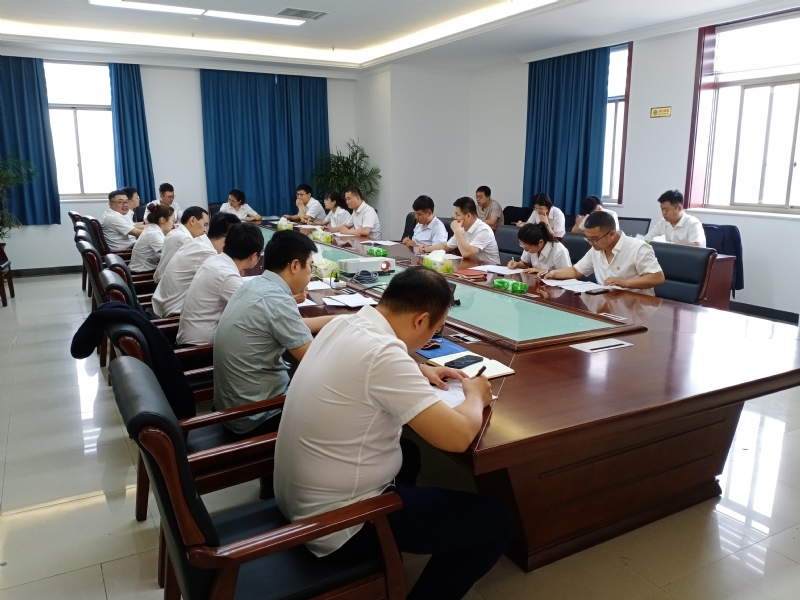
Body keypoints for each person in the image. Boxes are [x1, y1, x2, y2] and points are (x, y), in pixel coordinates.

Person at [274, 266, 513, 600]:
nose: (433, 336)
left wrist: (418, 368)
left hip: (296, 499)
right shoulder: (383, 355)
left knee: (410, 453)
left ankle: (401, 535)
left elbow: (370, 365)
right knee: (497, 522)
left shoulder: (345, 323)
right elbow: (458, 437)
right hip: (339, 524)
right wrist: (475, 396)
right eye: (436, 329)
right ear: (421, 319)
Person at [213, 230, 336, 436]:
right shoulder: (277, 300)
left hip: (234, 407)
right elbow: (316, 360)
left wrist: (340, 319)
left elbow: (295, 325)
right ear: (294, 266)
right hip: (258, 415)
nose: (310, 273)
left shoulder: (255, 285)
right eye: (310, 267)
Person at [176, 223, 263, 346]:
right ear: (253, 256)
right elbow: (256, 311)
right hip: (200, 348)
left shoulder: (215, 260)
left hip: (191, 337)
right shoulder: (227, 276)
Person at [545, 211, 665, 295]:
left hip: (637, 306)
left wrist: (625, 283)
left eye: (594, 239)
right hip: (606, 301)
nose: (591, 243)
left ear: (611, 234)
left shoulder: (638, 248)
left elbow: (658, 277)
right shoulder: (596, 249)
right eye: (588, 238)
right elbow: (576, 271)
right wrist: (553, 273)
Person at [151, 212, 240, 318]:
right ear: (228, 238)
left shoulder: (198, 242)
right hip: (173, 315)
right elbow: (231, 287)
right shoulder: (207, 252)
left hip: (161, 305)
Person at [419, 197, 500, 265]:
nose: (455, 218)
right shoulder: (462, 228)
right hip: (472, 267)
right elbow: (446, 247)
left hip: (490, 271)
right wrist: (428, 249)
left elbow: (467, 253)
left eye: (458, 215)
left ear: (468, 216)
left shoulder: (483, 230)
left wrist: (457, 231)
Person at [154, 206, 209, 284]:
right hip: (167, 284)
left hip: (164, 281)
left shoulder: (177, 232)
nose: (205, 230)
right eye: (204, 224)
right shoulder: (184, 239)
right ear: (192, 220)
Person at [128, 203, 175, 274]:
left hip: (146, 269)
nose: (173, 225)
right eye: (172, 221)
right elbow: (169, 252)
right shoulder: (153, 233)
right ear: (162, 220)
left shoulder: (153, 229)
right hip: (142, 273)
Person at [507, 222, 571, 274]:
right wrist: (517, 264)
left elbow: (567, 274)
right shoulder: (530, 245)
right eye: (522, 246)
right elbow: (525, 263)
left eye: (527, 248)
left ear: (540, 242)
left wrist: (543, 271)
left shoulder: (559, 251)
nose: (525, 250)